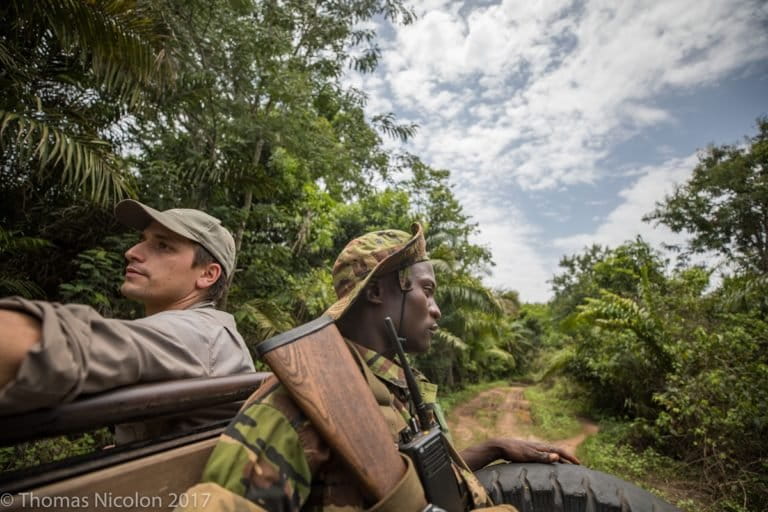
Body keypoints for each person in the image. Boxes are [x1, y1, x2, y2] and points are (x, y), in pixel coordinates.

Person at [181, 224, 578, 511]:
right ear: (375, 292)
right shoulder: (307, 397)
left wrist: (492, 448)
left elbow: (400, 474)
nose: (437, 310)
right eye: (426, 290)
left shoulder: (389, 385)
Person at [0, 199, 255, 442]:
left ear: (207, 274)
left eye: (163, 246)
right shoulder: (211, 331)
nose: (131, 252)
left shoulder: (195, 334)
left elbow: (58, 347)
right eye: (142, 240)